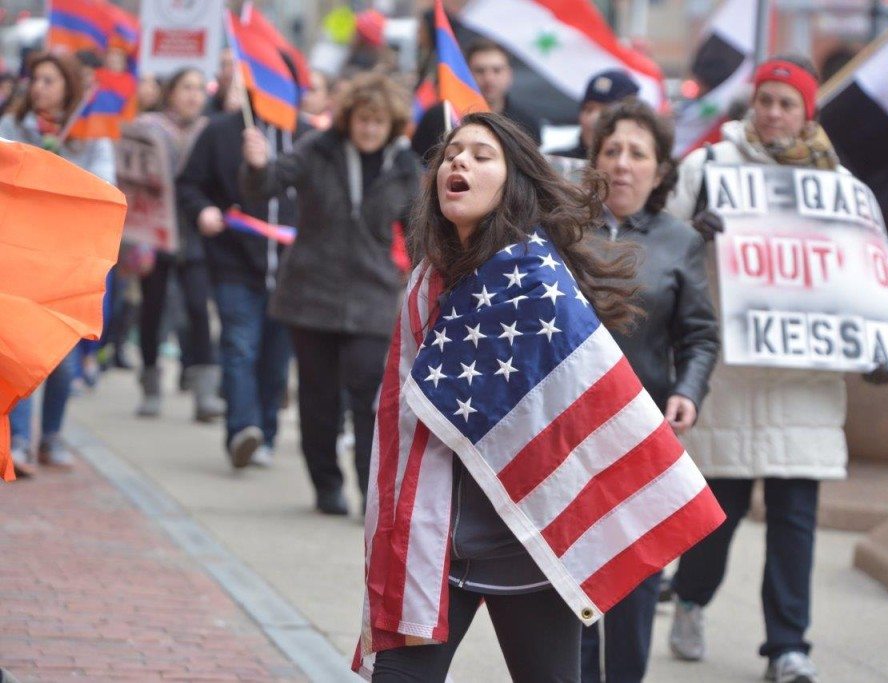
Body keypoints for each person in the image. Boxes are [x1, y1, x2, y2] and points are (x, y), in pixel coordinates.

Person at [364, 112, 655, 683]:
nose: (459, 163)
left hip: (528, 548)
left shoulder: (535, 277)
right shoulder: (427, 280)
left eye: (480, 155)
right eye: (451, 154)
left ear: (510, 183)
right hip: (436, 542)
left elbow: (574, 409)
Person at [665, 56, 848, 683]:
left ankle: (788, 648)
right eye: (765, 100)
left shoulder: (835, 184)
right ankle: (690, 598)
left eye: (786, 103)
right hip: (731, 376)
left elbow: (859, 274)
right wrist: (696, 233)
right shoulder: (708, 168)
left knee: (796, 521)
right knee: (718, 518)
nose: (773, 113)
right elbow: (660, 242)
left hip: (804, 380)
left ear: (806, 114)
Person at [580, 100, 720, 683]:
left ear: (660, 171)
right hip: (567, 436)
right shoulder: (563, 232)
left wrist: (688, 389)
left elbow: (700, 336)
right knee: (573, 581)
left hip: (643, 437)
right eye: (611, 150)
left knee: (634, 582)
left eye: (637, 153)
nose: (622, 163)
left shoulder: (679, 241)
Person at [240, 72, 421, 515]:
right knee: (318, 398)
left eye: (378, 122)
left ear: (392, 124)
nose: (370, 129)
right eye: (363, 119)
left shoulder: (405, 166)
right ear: (349, 118)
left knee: (368, 396)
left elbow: (421, 231)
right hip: (310, 293)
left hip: (372, 297)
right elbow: (265, 187)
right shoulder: (318, 149)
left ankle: (369, 493)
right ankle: (326, 484)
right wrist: (257, 164)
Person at [177, 92, 311, 470]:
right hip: (234, 262)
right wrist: (202, 210)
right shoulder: (220, 132)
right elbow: (189, 184)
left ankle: (265, 434)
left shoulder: (308, 138)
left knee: (275, 357)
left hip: (292, 271)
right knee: (239, 347)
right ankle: (242, 430)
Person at [1, 52, 115, 475]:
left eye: (49, 80)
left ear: (68, 86)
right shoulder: (14, 126)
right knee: (19, 350)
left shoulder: (91, 134)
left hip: (69, 264)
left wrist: (59, 173)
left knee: (62, 359)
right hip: (19, 258)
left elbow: (106, 188)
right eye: (36, 79)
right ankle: (22, 443)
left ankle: (51, 435)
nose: (39, 87)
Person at [134, 67, 223, 423]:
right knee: (153, 309)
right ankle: (151, 385)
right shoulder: (147, 127)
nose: (194, 95)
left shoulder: (210, 130)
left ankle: (204, 393)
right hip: (154, 234)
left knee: (199, 309)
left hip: (194, 234)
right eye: (187, 88)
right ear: (171, 92)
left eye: (200, 88)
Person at [411, 40, 542, 161]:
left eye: (497, 70)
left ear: (509, 74)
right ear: (466, 74)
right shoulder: (440, 116)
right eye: (480, 71)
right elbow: (417, 166)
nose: (489, 78)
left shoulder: (526, 123)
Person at [550, 69, 640, 160]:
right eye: (588, 110)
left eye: (606, 112)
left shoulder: (637, 169)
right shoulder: (556, 163)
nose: (593, 119)